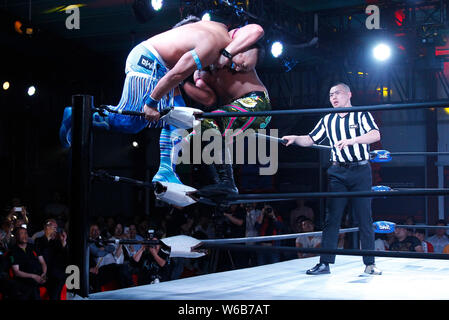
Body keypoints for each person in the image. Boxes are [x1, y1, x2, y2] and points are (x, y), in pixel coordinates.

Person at [59, 16, 264, 187]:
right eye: (241, 65)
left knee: (180, 117)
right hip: (149, 62)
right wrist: (151, 101)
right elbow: (176, 74)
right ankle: (77, 114)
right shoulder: (211, 47)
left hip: (163, 67)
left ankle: (166, 170)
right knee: (130, 123)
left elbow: (254, 32)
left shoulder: (223, 30)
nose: (237, 70)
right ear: (239, 50)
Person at [282, 83, 382, 276]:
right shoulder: (328, 119)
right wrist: (295, 137)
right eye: (330, 95)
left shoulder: (361, 114)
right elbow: (311, 139)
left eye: (337, 93)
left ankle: (370, 263)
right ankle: (324, 263)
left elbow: (375, 134)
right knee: (332, 218)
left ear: (349, 94)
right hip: (338, 173)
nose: (333, 97)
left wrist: (353, 140)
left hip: (361, 170)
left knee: (364, 218)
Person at [182, 34, 270, 195]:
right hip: (235, 114)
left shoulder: (224, 43)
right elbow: (208, 99)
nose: (237, 68)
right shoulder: (200, 72)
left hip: (256, 103)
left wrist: (228, 54)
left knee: (208, 122)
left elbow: (257, 31)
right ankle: (221, 188)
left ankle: (227, 183)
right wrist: (181, 81)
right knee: (197, 136)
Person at [9, 227, 47, 300]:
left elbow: (42, 262)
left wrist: (44, 274)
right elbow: (16, 272)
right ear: (16, 236)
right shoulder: (13, 251)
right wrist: (34, 276)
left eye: (26, 233)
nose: (24, 236)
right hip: (24, 279)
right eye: (21, 233)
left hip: (39, 275)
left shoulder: (33, 247)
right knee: (32, 288)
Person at [34, 219, 68, 300]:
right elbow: (43, 254)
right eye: (53, 227)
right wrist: (47, 236)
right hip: (43, 272)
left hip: (56, 273)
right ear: (46, 227)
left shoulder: (57, 242)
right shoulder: (39, 240)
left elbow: (65, 257)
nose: (55, 230)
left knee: (58, 280)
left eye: (56, 228)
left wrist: (64, 242)